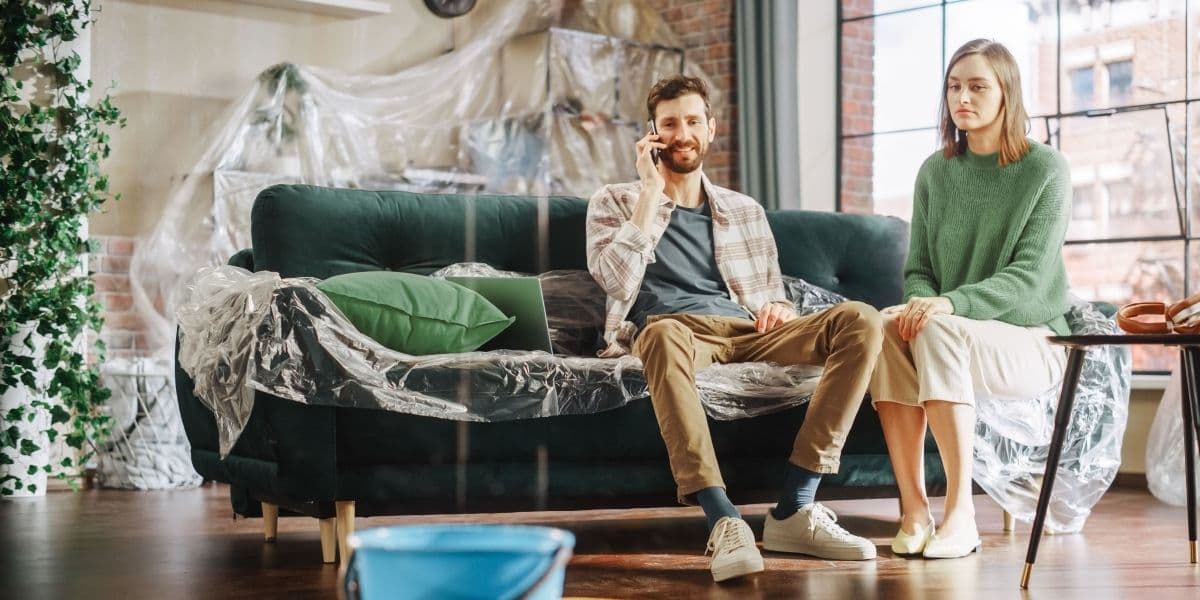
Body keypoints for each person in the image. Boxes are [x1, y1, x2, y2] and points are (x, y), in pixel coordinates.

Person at [585, 75, 883, 582]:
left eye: (692, 121)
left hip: (748, 333)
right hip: (675, 333)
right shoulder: (615, 200)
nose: (682, 134)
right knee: (659, 335)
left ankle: (795, 508)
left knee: (862, 320)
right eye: (670, 124)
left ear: (711, 128)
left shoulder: (745, 210)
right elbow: (614, 280)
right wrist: (650, 195)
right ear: (651, 134)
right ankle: (723, 519)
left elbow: (771, 293)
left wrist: (780, 310)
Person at [870, 39, 1072, 560]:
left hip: (1035, 340)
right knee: (885, 327)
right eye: (954, 86)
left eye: (978, 86)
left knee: (937, 326)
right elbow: (919, 271)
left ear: (1007, 93)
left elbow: (1029, 278)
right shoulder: (935, 172)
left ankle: (961, 516)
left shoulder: (1046, 169)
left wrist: (948, 305)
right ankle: (915, 511)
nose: (962, 97)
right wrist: (920, 303)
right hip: (952, 333)